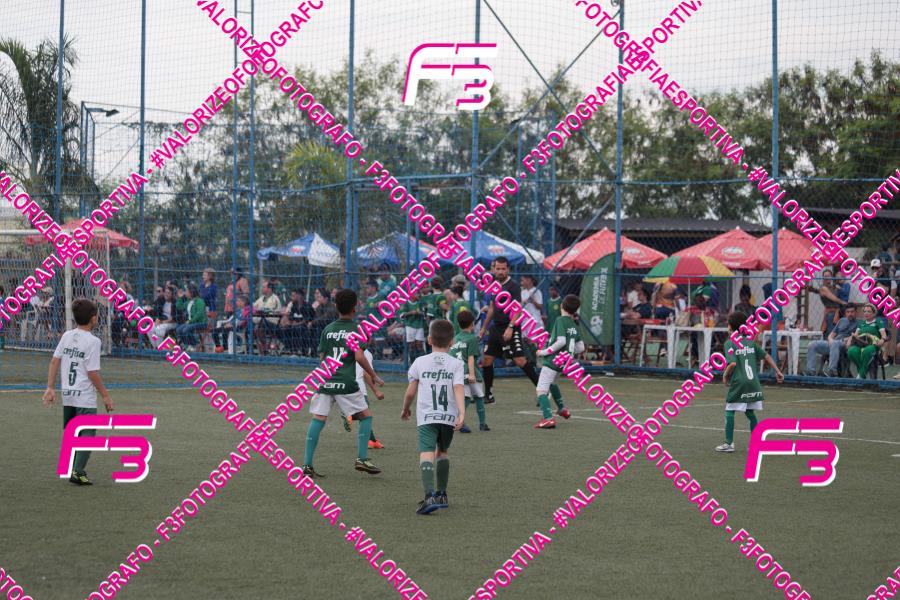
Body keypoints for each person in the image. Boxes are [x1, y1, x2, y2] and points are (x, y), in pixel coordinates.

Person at [301, 289, 384, 478]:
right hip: (345, 381)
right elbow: (360, 356)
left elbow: (322, 357)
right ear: (355, 307)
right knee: (366, 416)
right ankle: (362, 458)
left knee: (318, 418)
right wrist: (374, 375)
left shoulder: (328, 329)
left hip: (326, 380)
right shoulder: (357, 330)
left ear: (336, 306)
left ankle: (307, 465)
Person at [42, 298, 114, 485]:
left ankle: (71, 467)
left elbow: (54, 361)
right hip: (84, 397)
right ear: (93, 318)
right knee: (87, 434)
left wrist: (50, 387)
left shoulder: (67, 336)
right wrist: (105, 395)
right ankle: (78, 472)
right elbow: (92, 372)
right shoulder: (94, 341)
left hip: (68, 395)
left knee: (72, 433)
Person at [401, 319, 465, 515]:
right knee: (442, 451)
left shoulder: (420, 362)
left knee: (426, 452)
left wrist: (405, 408)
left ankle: (429, 496)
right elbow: (458, 388)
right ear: (452, 342)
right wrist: (462, 412)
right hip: (448, 417)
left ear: (429, 339)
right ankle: (442, 495)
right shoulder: (457, 364)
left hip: (427, 417)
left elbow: (410, 392)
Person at [716, 311, 783, 453]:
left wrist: (725, 376)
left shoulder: (729, 343)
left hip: (739, 383)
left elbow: (732, 364)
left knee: (729, 411)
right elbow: (766, 356)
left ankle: (729, 443)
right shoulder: (750, 343)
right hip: (753, 383)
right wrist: (778, 371)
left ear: (730, 327)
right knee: (750, 412)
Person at [478, 256, 541, 404]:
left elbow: (517, 309)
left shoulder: (513, 286)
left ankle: (543, 390)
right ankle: (488, 395)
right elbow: (492, 307)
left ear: (508, 269)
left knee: (520, 361)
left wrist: (511, 327)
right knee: (487, 360)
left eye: (503, 269)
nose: (500, 271)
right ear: (494, 269)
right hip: (496, 328)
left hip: (511, 327)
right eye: (498, 269)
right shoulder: (494, 285)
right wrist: (483, 328)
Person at [533, 294, 582, 429]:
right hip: (565, 361)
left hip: (553, 361)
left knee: (541, 389)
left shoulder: (560, 320)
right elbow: (581, 347)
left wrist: (544, 352)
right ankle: (562, 409)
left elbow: (561, 341)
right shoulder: (573, 324)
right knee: (552, 383)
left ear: (562, 306)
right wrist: (568, 352)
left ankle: (548, 418)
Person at [449, 310, 489, 433]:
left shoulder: (455, 338)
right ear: (472, 324)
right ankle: (481, 424)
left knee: (465, 398)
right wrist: (472, 374)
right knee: (478, 397)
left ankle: (460, 421)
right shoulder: (472, 339)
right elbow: (471, 358)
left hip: (458, 372)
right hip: (469, 372)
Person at [341, 347, 386, 449]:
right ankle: (349, 416)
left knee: (364, 415)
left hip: (344, 384)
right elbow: (366, 373)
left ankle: (372, 441)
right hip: (358, 386)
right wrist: (376, 391)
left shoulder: (346, 348)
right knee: (366, 415)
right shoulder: (366, 353)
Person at [806, 304, 857, 377]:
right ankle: (811, 371)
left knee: (835, 343)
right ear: (845, 313)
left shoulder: (858, 323)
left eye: (852, 312)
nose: (850, 314)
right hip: (833, 343)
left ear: (856, 312)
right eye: (848, 312)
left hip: (845, 344)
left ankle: (832, 371)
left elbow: (855, 337)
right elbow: (831, 335)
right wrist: (830, 340)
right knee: (812, 345)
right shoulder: (842, 320)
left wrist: (842, 340)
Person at [846, 303, 888, 379]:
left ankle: (860, 376)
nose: (866, 313)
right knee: (851, 351)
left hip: (873, 345)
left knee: (867, 351)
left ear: (874, 313)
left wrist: (882, 340)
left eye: (869, 311)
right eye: (865, 311)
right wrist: (851, 338)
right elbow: (856, 335)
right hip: (860, 344)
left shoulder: (878, 321)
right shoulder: (861, 323)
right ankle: (863, 373)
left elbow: (884, 335)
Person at [808, 269, 849, 335]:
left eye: (829, 276)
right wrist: (843, 302)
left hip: (838, 312)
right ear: (823, 278)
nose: (827, 278)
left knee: (838, 332)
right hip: (831, 313)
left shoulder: (833, 287)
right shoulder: (823, 288)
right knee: (831, 333)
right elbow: (833, 298)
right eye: (825, 276)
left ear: (832, 277)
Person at [278, 289, 315, 355]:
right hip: (294, 325)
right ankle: (290, 348)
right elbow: (291, 317)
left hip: (305, 327)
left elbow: (307, 320)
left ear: (300, 296)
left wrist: (296, 324)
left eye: (295, 295)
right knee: (283, 329)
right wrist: (289, 323)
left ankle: (301, 350)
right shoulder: (294, 305)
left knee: (297, 329)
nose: (292, 297)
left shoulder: (307, 306)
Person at [253, 280, 282, 354]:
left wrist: (259, 310)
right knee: (250, 324)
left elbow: (267, 310)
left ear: (269, 289)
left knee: (260, 324)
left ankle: (264, 348)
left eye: (263, 287)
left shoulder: (274, 299)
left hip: (272, 324)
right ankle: (253, 349)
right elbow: (254, 307)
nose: (262, 288)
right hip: (260, 321)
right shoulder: (262, 298)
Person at [175, 284, 207, 350]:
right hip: (191, 323)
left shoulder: (200, 301)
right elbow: (179, 307)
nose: (185, 293)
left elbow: (199, 314)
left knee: (186, 329)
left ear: (191, 292)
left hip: (201, 323)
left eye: (186, 291)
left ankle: (195, 344)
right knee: (178, 329)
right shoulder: (189, 302)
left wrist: (190, 321)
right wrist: (180, 298)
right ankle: (187, 344)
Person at [398, 291, 426, 358]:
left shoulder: (420, 303)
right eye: (416, 293)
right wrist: (411, 312)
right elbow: (402, 315)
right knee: (411, 345)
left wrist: (420, 313)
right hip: (410, 326)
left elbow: (424, 313)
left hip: (419, 325)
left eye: (418, 293)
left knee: (419, 344)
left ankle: (422, 360)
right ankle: (412, 361)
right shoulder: (406, 303)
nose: (418, 295)